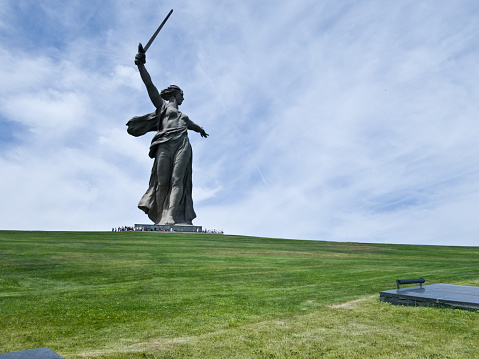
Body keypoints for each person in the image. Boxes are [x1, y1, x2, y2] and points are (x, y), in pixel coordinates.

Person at [127, 44, 208, 225]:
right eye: (182, 94)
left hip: (182, 144)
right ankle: (160, 216)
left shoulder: (183, 116)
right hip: (164, 143)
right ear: (175, 94)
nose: (183, 98)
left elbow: (192, 125)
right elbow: (149, 85)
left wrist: (200, 129)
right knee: (162, 182)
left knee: (177, 180)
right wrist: (141, 65)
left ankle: (171, 215)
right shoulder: (162, 107)